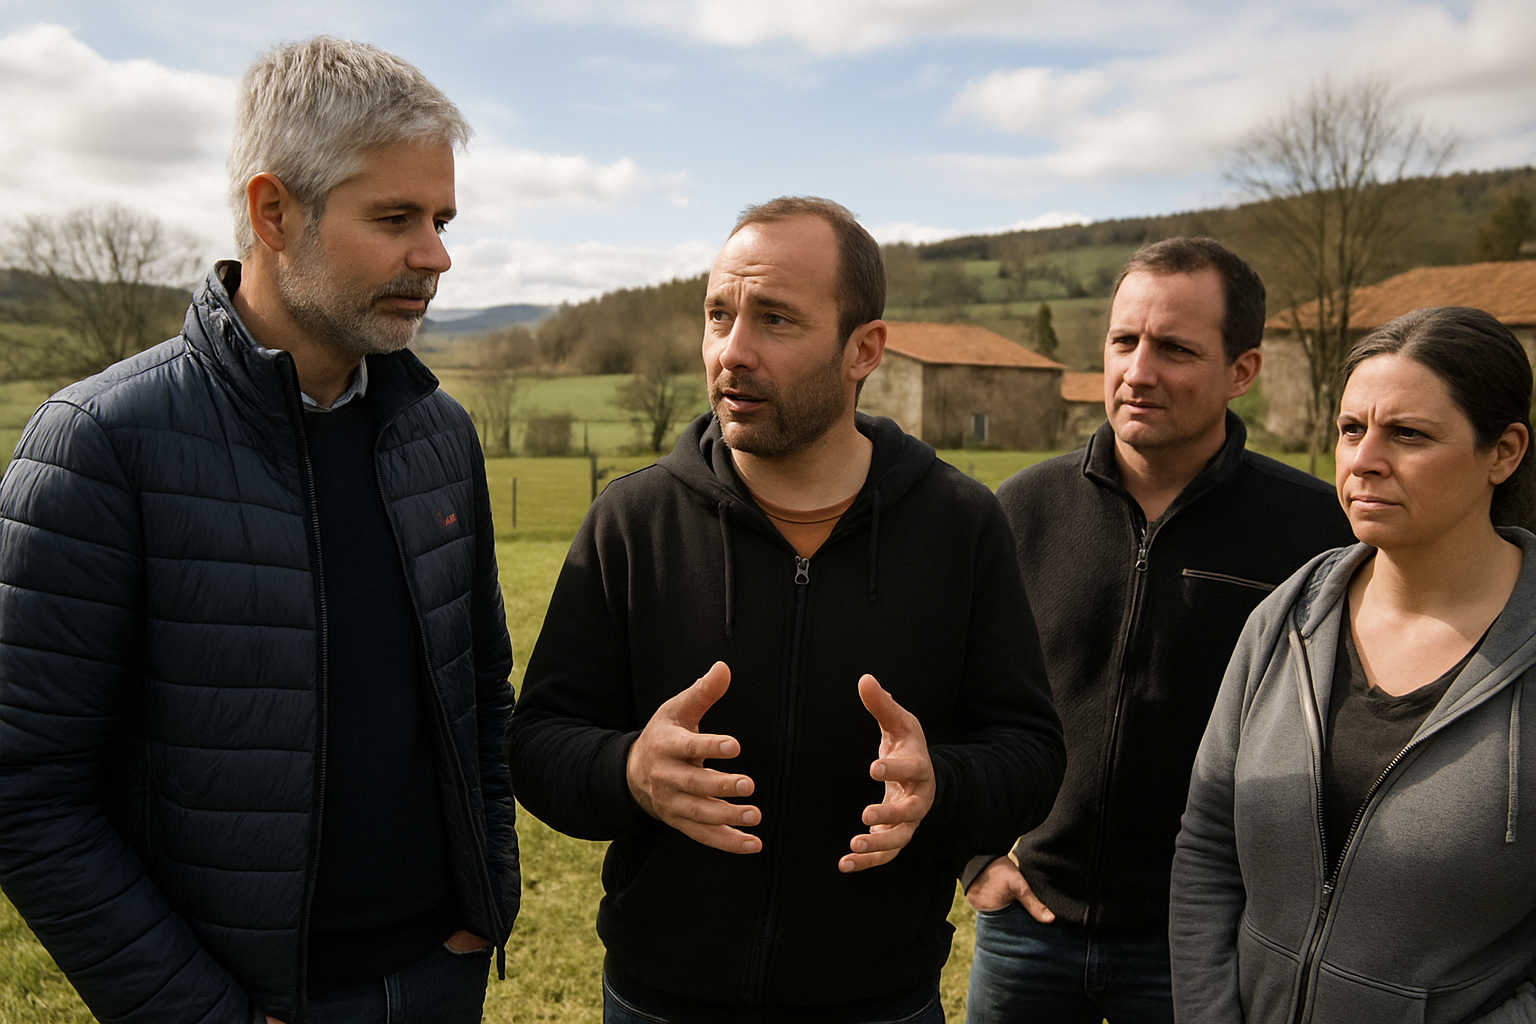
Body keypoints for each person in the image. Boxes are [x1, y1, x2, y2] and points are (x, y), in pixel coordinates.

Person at [0, 37, 517, 1024]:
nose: (437, 255)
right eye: (396, 218)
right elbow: (27, 792)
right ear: (273, 211)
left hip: (443, 972)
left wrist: (478, 904)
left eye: (442, 219)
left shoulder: (437, 434)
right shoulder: (101, 443)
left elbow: (478, 694)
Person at [507, 196, 1065, 1024]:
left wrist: (941, 785)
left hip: (881, 1004)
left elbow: (1030, 751)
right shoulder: (634, 521)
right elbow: (540, 744)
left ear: (862, 349)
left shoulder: (959, 524)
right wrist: (630, 771)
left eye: (775, 320)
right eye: (719, 315)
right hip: (662, 1001)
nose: (733, 352)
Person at [968, 237, 1354, 1023]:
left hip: (1200, 942)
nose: (1138, 372)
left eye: (1175, 349)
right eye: (1123, 341)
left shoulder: (1318, 533)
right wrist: (974, 855)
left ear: (1241, 372)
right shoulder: (1021, 510)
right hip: (1026, 925)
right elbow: (955, 695)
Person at [1171, 306, 1536, 1023]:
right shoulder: (1286, 618)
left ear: (1504, 451)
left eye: (1407, 434)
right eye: (1350, 429)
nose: (1364, 459)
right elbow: (1209, 847)